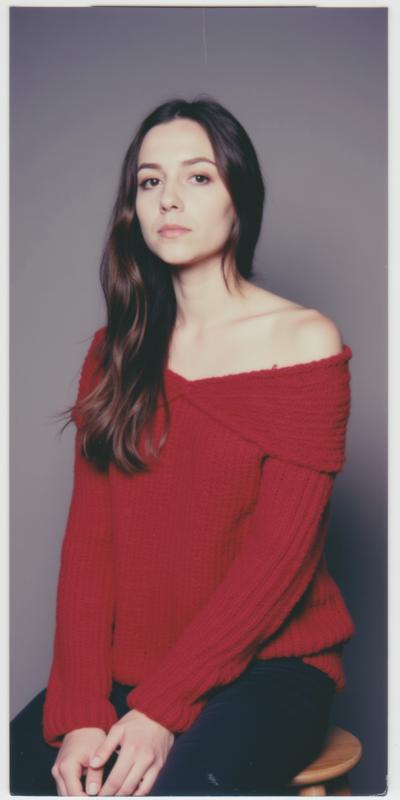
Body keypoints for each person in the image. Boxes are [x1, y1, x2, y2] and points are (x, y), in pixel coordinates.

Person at [10, 95, 355, 797]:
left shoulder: (304, 342)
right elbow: (90, 544)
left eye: (198, 176)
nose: (169, 198)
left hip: (271, 668)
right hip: (133, 669)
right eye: (150, 180)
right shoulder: (116, 352)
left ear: (239, 198)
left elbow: (278, 562)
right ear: (133, 208)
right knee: (27, 772)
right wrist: (80, 711)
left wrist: (162, 709)